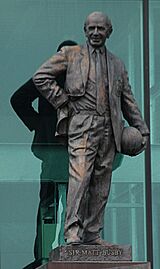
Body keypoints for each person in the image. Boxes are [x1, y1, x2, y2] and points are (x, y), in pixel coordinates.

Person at [32, 12, 149, 246]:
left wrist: (141, 128)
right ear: (85, 31)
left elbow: (128, 99)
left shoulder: (117, 64)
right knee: (80, 176)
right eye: (91, 28)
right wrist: (62, 101)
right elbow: (41, 77)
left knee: (102, 182)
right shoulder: (70, 54)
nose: (96, 33)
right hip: (82, 124)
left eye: (101, 29)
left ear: (109, 32)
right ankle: (72, 231)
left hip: (110, 127)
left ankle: (93, 233)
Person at [10, 40, 77, 268]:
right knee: (53, 202)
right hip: (58, 151)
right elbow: (18, 100)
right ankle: (46, 253)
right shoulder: (48, 77)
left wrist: (39, 125)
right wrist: (41, 125)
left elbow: (18, 100)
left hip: (65, 150)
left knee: (54, 202)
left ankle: (50, 252)